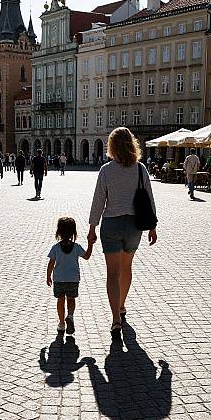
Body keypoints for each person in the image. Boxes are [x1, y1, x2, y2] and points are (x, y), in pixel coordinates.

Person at [87, 127, 157, 338]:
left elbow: (98, 200)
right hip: (134, 225)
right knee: (126, 268)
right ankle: (122, 305)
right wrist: (153, 226)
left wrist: (92, 227)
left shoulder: (106, 170)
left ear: (112, 146)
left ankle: (116, 319)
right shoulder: (140, 169)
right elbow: (149, 198)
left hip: (111, 224)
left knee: (112, 273)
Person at [47, 217, 93, 334]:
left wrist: (48, 276)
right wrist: (90, 243)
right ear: (73, 232)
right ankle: (70, 316)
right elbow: (87, 256)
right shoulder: (76, 247)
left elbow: (51, 263)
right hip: (73, 279)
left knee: (60, 301)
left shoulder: (55, 248)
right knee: (71, 299)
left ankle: (62, 323)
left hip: (59, 279)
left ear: (59, 232)